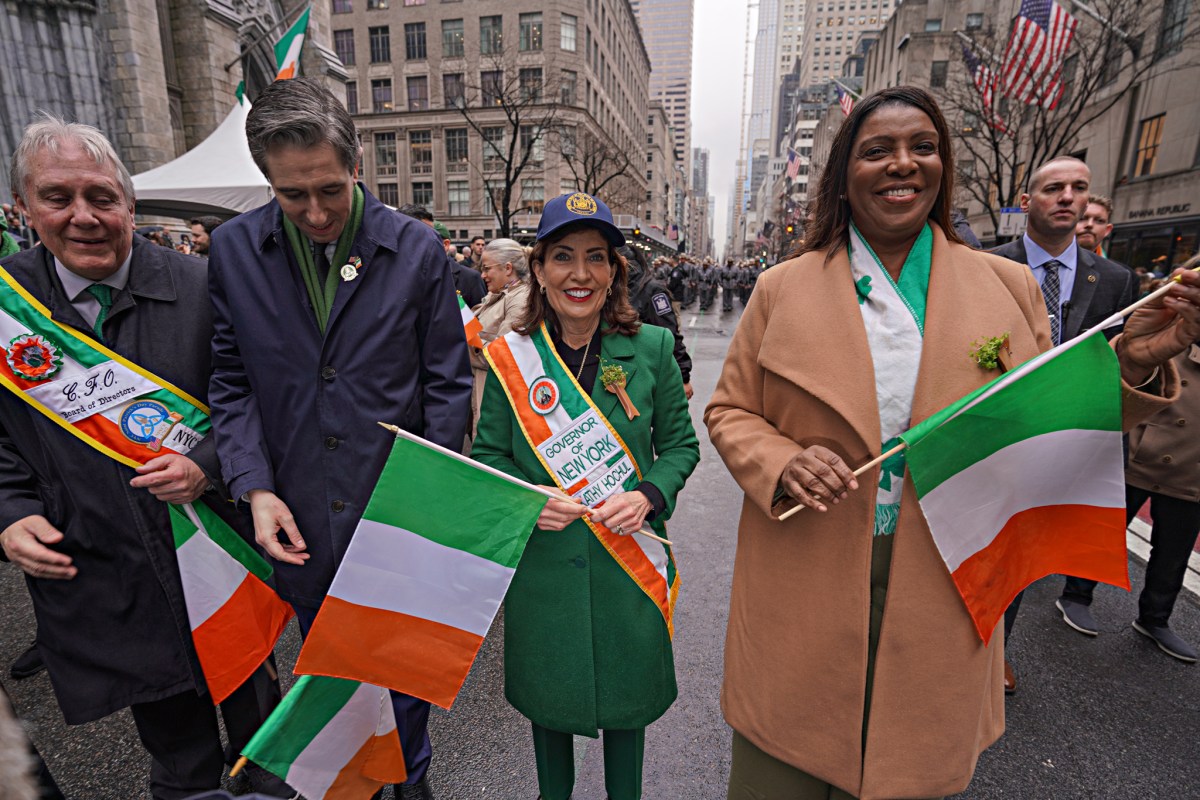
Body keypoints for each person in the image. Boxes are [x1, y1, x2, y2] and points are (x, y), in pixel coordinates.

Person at [703, 86, 1200, 800]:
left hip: (949, 567)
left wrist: (1132, 363)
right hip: (803, 567)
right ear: (845, 174)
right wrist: (782, 460)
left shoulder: (1008, 287)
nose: (902, 164)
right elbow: (730, 412)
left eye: (922, 147)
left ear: (944, 166)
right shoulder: (781, 288)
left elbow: (1044, 428)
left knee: (913, 766)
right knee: (782, 770)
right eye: (877, 151)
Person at [1, 117, 285, 799]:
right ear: (23, 208)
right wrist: (8, 512)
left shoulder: (205, 286)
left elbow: (260, 403)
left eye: (100, 197)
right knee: (177, 751)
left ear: (129, 203)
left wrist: (208, 464)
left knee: (266, 742)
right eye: (57, 197)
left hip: (217, 552)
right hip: (107, 571)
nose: (83, 217)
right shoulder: (8, 310)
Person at [206, 77, 472, 800]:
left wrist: (429, 506)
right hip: (298, 519)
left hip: (396, 520)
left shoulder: (417, 250)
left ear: (355, 165)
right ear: (267, 181)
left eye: (329, 188)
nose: (316, 212)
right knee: (335, 688)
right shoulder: (231, 251)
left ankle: (411, 785)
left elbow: (448, 387)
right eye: (294, 196)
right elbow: (230, 382)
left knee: (405, 687)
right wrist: (253, 486)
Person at [472, 192, 699, 800]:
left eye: (597, 258)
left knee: (629, 712)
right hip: (545, 569)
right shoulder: (509, 360)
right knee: (550, 713)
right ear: (539, 270)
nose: (581, 274)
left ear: (614, 272)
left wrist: (650, 494)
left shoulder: (650, 349)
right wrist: (527, 498)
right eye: (564, 257)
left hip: (631, 562)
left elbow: (680, 446)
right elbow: (487, 455)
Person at [990, 157, 1136, 685]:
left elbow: (1125, 357)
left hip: (1070, 434)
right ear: (1028, 201)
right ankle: (983, 653)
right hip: (1000, 432)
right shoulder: (986, 266)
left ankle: (1001, 644)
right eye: (1054, 188)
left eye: (1079, 188)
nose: (1068, 197)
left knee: (1029, 550)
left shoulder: (1117, 279)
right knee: (992, 542)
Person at [1059, 328, 1200, 661]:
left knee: (1173, 555)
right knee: (1103, 532)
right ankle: (1076, 595)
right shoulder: (1174, 339)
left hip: (1191, 472)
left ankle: (1155, 618)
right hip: (1139, 456)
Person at [468, 238, 532, 436]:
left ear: (508, 268)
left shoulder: (521, 299)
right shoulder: (502, 293)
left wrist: (466, 332)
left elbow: (503, 355)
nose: (483, 275)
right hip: (484, 389)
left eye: (487, 268)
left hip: (497, 398)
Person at [619, 244, 694, 400]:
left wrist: (683, 376)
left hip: (648, 370)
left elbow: (670, 334)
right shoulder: (615, 289)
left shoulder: (653, 291)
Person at [397, 204, 486, 307]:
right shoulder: (395, 276)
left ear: (445, 244)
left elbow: (478, 320)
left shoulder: (470, 278)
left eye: (430, 236)